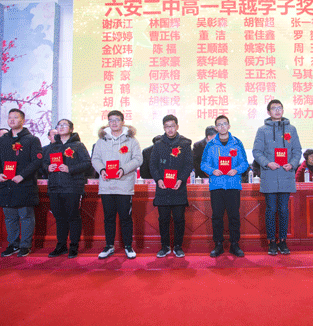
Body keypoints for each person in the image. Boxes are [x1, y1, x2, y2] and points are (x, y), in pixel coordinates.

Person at [91, 110, 143, 259]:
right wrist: (102, 170)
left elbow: (138, 159)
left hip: (124, 185)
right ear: (108, 122)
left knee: (125, 217)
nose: (114, 123)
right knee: (108, 218)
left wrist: (123, 169)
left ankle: (128, 246)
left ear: (122, 122)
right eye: (111, 120)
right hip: (106, 185)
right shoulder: (101, 141)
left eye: (117, 120)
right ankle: (109, 246)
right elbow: (95, 159)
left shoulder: (131, 141)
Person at [0, 108, 43, 257]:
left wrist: (22, 175)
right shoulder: (2, 140)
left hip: (24, 184)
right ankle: (13, 244)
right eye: (10, 117)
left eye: (15, 117)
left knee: (25, 216)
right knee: (10, 217)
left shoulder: (31, 139)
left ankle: (25, 245)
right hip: (6, 184)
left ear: (23, 120)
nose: (12, 120)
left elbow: (37, 161)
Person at [252, 99, 301, 255]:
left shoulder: (291, 129)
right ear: (268, 112)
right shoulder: (262, 130)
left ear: (283, 110)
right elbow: (257, 152)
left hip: (286, 174)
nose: (277, 110)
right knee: (271, 209)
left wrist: (292, 164)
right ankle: (272, 241)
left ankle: (283, 241)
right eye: (274, 108)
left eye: (280, 108)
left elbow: (297, 150)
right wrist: (268, 163)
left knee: (284, 210)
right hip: (270, 174)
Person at [42, 119, 91, 259]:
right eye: (59, 125)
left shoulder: (78, 145)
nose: (61, 127)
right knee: (59, 218)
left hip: (72, 186)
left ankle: (74, 246)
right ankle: (61, 245)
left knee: (73, 217)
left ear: (71, 129)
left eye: (64, 125)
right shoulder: (52, 146)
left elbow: (87, 163)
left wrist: (70, 169)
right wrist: (48, 167)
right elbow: (43, 163)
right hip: (54, 187)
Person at [201, 115, 249, 257]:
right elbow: (203, 164)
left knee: (234, 216)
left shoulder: (237, 143)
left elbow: (244, 163)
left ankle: (234, 244)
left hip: (233, 185)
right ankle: (218, 245)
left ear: (229, 126)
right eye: (219, 124)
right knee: (217, 216)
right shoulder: (210, 145)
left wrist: (236, 170)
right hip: (216, 185)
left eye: (224, 124)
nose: (222, 126)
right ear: (216, 128)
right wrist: (212, 171)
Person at [149, 115, 194, 258]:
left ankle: (178, 246)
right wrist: (158, 179)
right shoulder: (158, 144)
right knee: (163, 219)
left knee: (179, 219)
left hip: (178, 187)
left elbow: (189, 164)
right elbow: (152, 165)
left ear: (177, 127)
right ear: (164, 128)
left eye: (172, 126)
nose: (170, 129)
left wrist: (181, 179)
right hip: (162, 188)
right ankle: (165, 246)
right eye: (167, 126)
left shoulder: (185, 144)